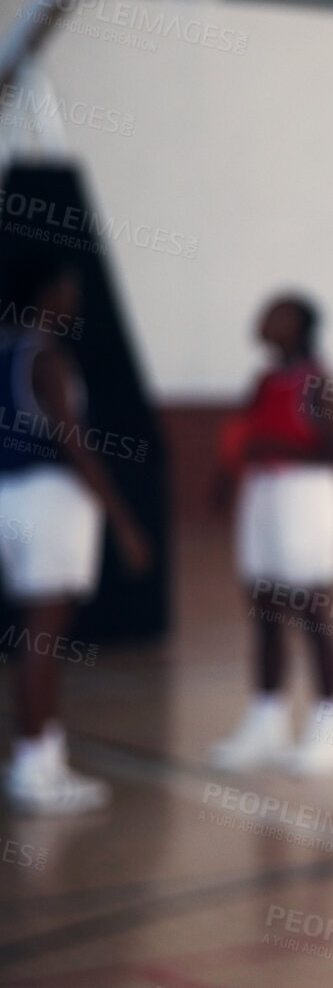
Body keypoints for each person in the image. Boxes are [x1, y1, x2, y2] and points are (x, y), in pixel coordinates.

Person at [0, 254, 151, 814]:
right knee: (44, 640)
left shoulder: (7, 349)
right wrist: (123, 520)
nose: (73, 298)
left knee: (30, 637)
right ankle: (38, 768)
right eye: (65, 288)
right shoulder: (47, 355)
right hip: (47, 500)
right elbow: (75, 443)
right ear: (46, 295)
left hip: (11, 496)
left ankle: (33, 755)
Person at [208, 292, 333, 776]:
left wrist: (273, 444)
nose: (264, 320)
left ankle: (331, 727)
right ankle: (267, 721)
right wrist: (226, 477)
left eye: (278, 315)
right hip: (264, 494)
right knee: (265, 609)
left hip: (308, 496)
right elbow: (241, 437)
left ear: (302, 325)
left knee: (313, 610)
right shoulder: (266, 381)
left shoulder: (319, 381)